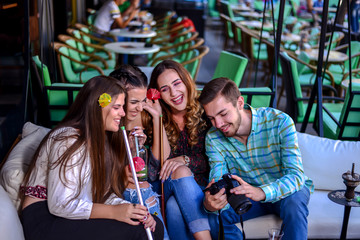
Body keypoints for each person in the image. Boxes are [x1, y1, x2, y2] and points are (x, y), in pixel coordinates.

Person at [20, 76, 164, 240]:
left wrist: (130, 209)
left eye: (123, 107)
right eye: (117, 107)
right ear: (97, 108)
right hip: (45, 220)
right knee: (138, 232)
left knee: (153, 227)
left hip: (68, 214)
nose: (123, 113)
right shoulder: (68, 139)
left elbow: (99, 194)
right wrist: (114, 212)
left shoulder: (99, 142)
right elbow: (60, 204)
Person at [198, 77, 314, 240]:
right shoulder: (213, 138)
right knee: (213, 215)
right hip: (249, 195)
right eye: (211, 118)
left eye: (223, 114)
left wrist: (262, 192)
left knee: (294, 202)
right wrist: (212, 202)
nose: (217, 124)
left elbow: (296, 176)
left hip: (285, 191)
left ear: (239, 103)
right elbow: (218, 178)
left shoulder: (280, 122)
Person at [147, 60, 217, 240]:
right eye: (164, 89)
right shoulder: (155, 115)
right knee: (179, 173)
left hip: (201, 187)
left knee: (174, 207)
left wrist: (184, 160)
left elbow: (213, 160)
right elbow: (156, 170)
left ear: (186, 81)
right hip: (167, 186)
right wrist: (157, 118)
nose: (174, 93)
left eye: (177, 83)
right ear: (158, 94)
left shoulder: (205, 111)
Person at [109, 65, 170, 240]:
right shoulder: (109, 121)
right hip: (123, 191)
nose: (140, 107)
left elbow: (160, 161)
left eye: (143, 100)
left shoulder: (142, 116)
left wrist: (158, 118)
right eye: (134, 102)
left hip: (148, 187)